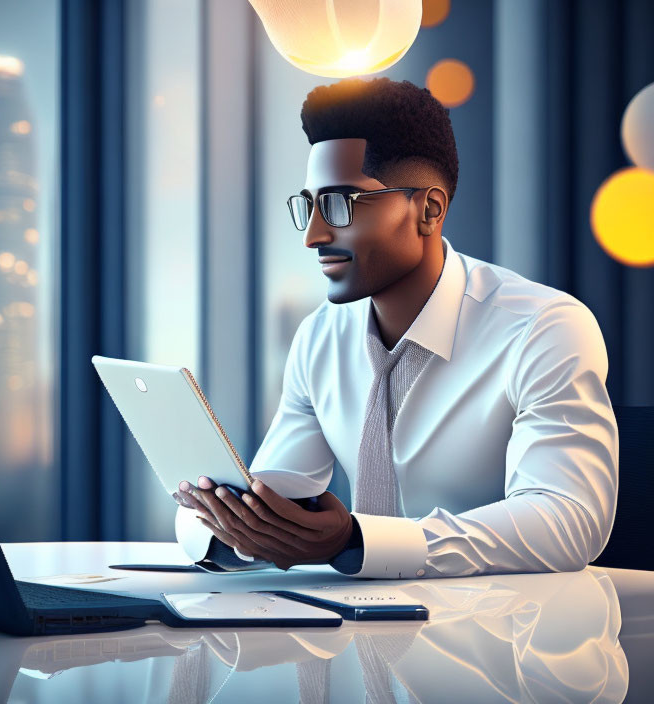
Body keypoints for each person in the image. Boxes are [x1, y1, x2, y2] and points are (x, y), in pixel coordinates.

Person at [172, 76, 619, 579]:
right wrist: (226, 520)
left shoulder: (544, 329)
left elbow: (569, 520)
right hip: (355, 638)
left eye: (342, 204)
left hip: (504, 641)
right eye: (310, 206)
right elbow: (280, 490)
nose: (315, 235)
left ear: (428, 210)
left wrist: (360, 542)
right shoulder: (320, 336)